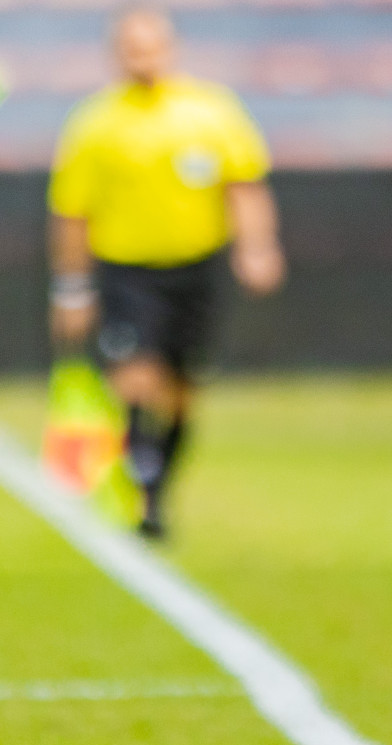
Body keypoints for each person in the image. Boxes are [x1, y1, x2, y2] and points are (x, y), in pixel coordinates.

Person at [46, 5, 284, 539]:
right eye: (132, 49)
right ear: (117, 55)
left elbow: (244, 186)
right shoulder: (94, 122)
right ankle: (145, 487)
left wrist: (258, 247)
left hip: (196, 268)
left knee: (181, 388)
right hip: (127, 271)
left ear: (170, 49)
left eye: (151, 47)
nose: (143, 58)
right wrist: (71, 289)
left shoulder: (211, 112)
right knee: (136, 377)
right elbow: (72, 213)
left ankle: (158, 486)